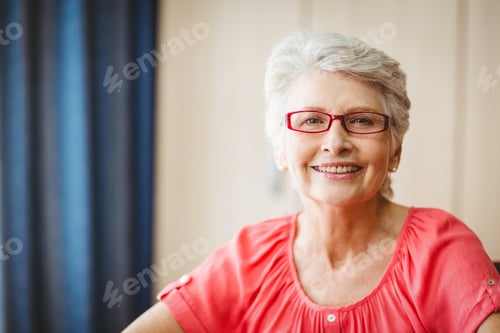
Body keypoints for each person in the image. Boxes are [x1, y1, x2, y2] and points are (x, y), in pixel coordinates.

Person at [123, 31, 500, 332]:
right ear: (281, 152)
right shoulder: (248, 258)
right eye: (311, 121)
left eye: (362, 120)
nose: (335, 143)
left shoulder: (444, 249)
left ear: (395, 150)